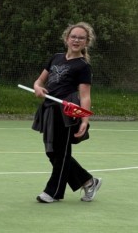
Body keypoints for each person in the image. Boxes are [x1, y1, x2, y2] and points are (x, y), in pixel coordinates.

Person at [31, 23, 102, 204]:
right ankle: (88, 181)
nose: (76, 40)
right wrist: (38, 88)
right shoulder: (55, 58)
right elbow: (39, 81)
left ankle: (53, 192)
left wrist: (84, 119)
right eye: (73, 36)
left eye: (81, 38)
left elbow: (85, 96)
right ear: (66, 38)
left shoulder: (83, 66)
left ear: (86, 42)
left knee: (61, 153)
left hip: (67, 113)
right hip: (49, 109)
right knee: (52, 152)